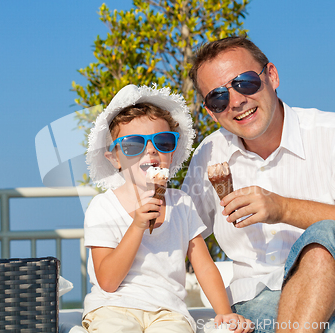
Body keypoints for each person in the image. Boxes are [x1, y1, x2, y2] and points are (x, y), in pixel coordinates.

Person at [182, 36, 335, 333]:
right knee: (331, 328)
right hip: (258, 301)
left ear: (272, 76)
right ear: (210, 111)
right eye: (218, 98)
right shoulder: (208, 155)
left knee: (325, 235)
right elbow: (180, 236)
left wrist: (282, 208)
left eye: (244, 83)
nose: (235, 101)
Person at [82, 84, 253, 333]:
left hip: (168, 312)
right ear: (115, 158)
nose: (150, 150)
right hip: (112, 308)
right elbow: (107, 281)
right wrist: (138, 225)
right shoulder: (103, 207)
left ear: (172, 154)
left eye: (162, 142)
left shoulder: (181, 203)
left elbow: (203, 266)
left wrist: (225, 312)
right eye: (133, 145)